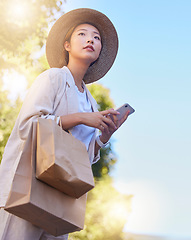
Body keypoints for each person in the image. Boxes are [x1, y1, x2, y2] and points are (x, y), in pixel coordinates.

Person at [0, 8, 128, 240]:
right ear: (67, 45)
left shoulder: (90, 102)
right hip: (26, 190)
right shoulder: (53, 78)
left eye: (96, 37)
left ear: (99, 51)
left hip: (59, 202)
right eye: (82, 34)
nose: (90, 39)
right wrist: (79, 118)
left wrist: (103, 137)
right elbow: (27, 126)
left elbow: (80, 159)